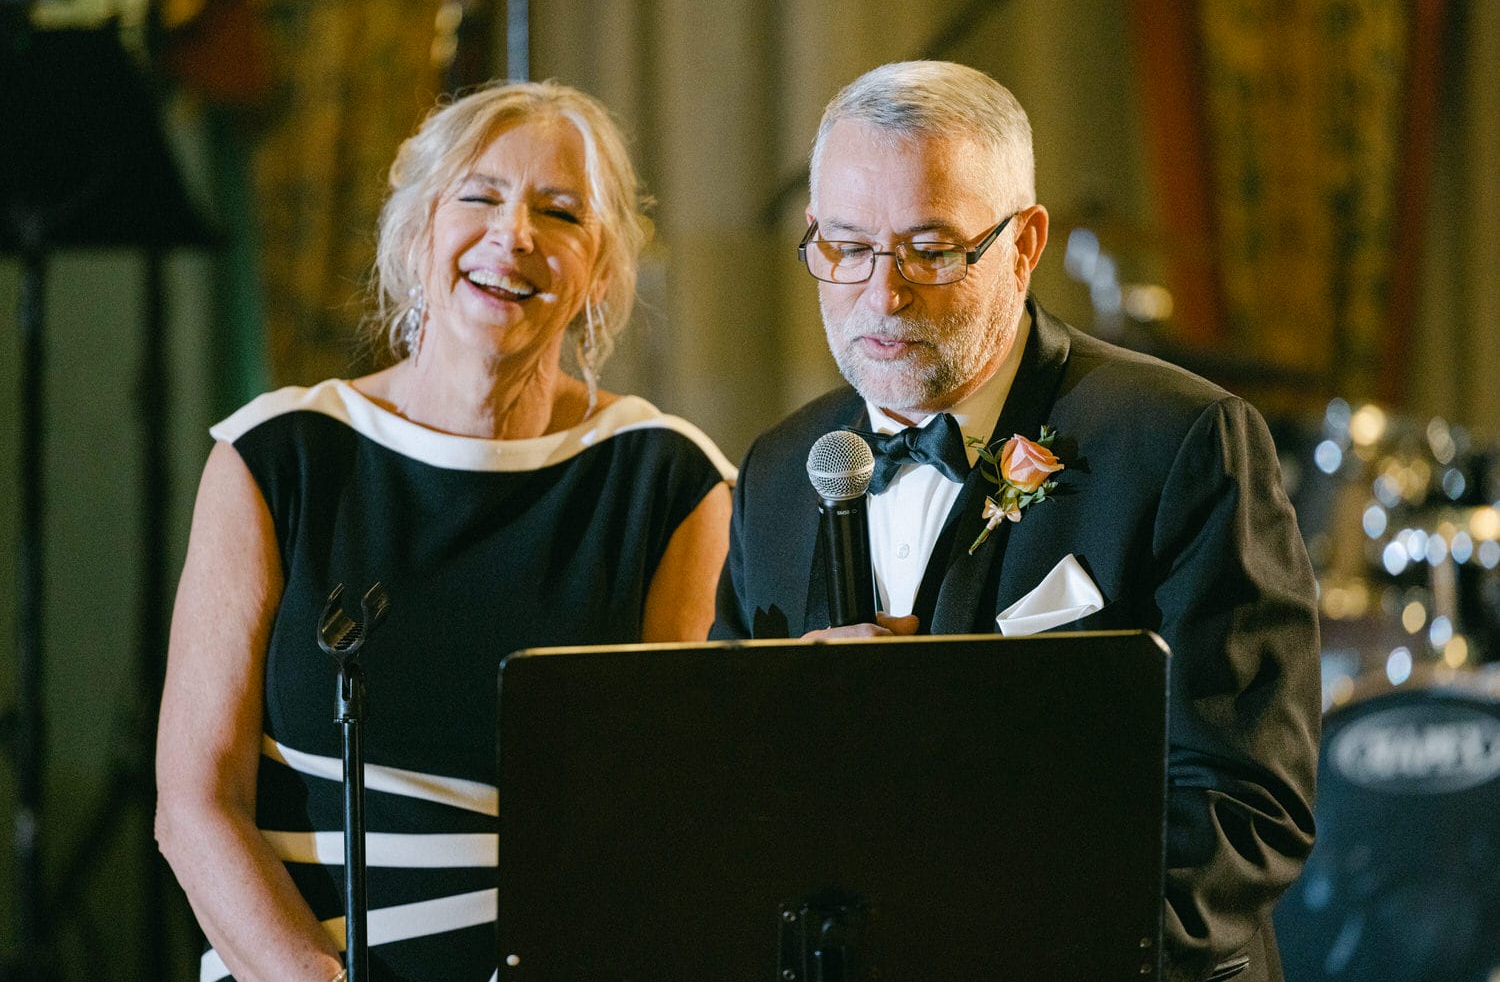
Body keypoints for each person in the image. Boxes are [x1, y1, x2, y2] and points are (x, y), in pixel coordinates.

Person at [712, 60, 1320, 982]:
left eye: (932, 248)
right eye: (845, 245)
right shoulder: (779, 472)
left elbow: (1243, 809)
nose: (883, 293)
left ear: (1025, 242)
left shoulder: (1178, 442)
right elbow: (730, 788)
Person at [156, 79, 734, 982]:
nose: (515, 235)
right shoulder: (278, 455)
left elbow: (680, 815)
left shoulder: (669, 481)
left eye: (561, 212)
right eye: (480, 196)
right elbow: (195, 802)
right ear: (418, 230)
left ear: (601, 274)